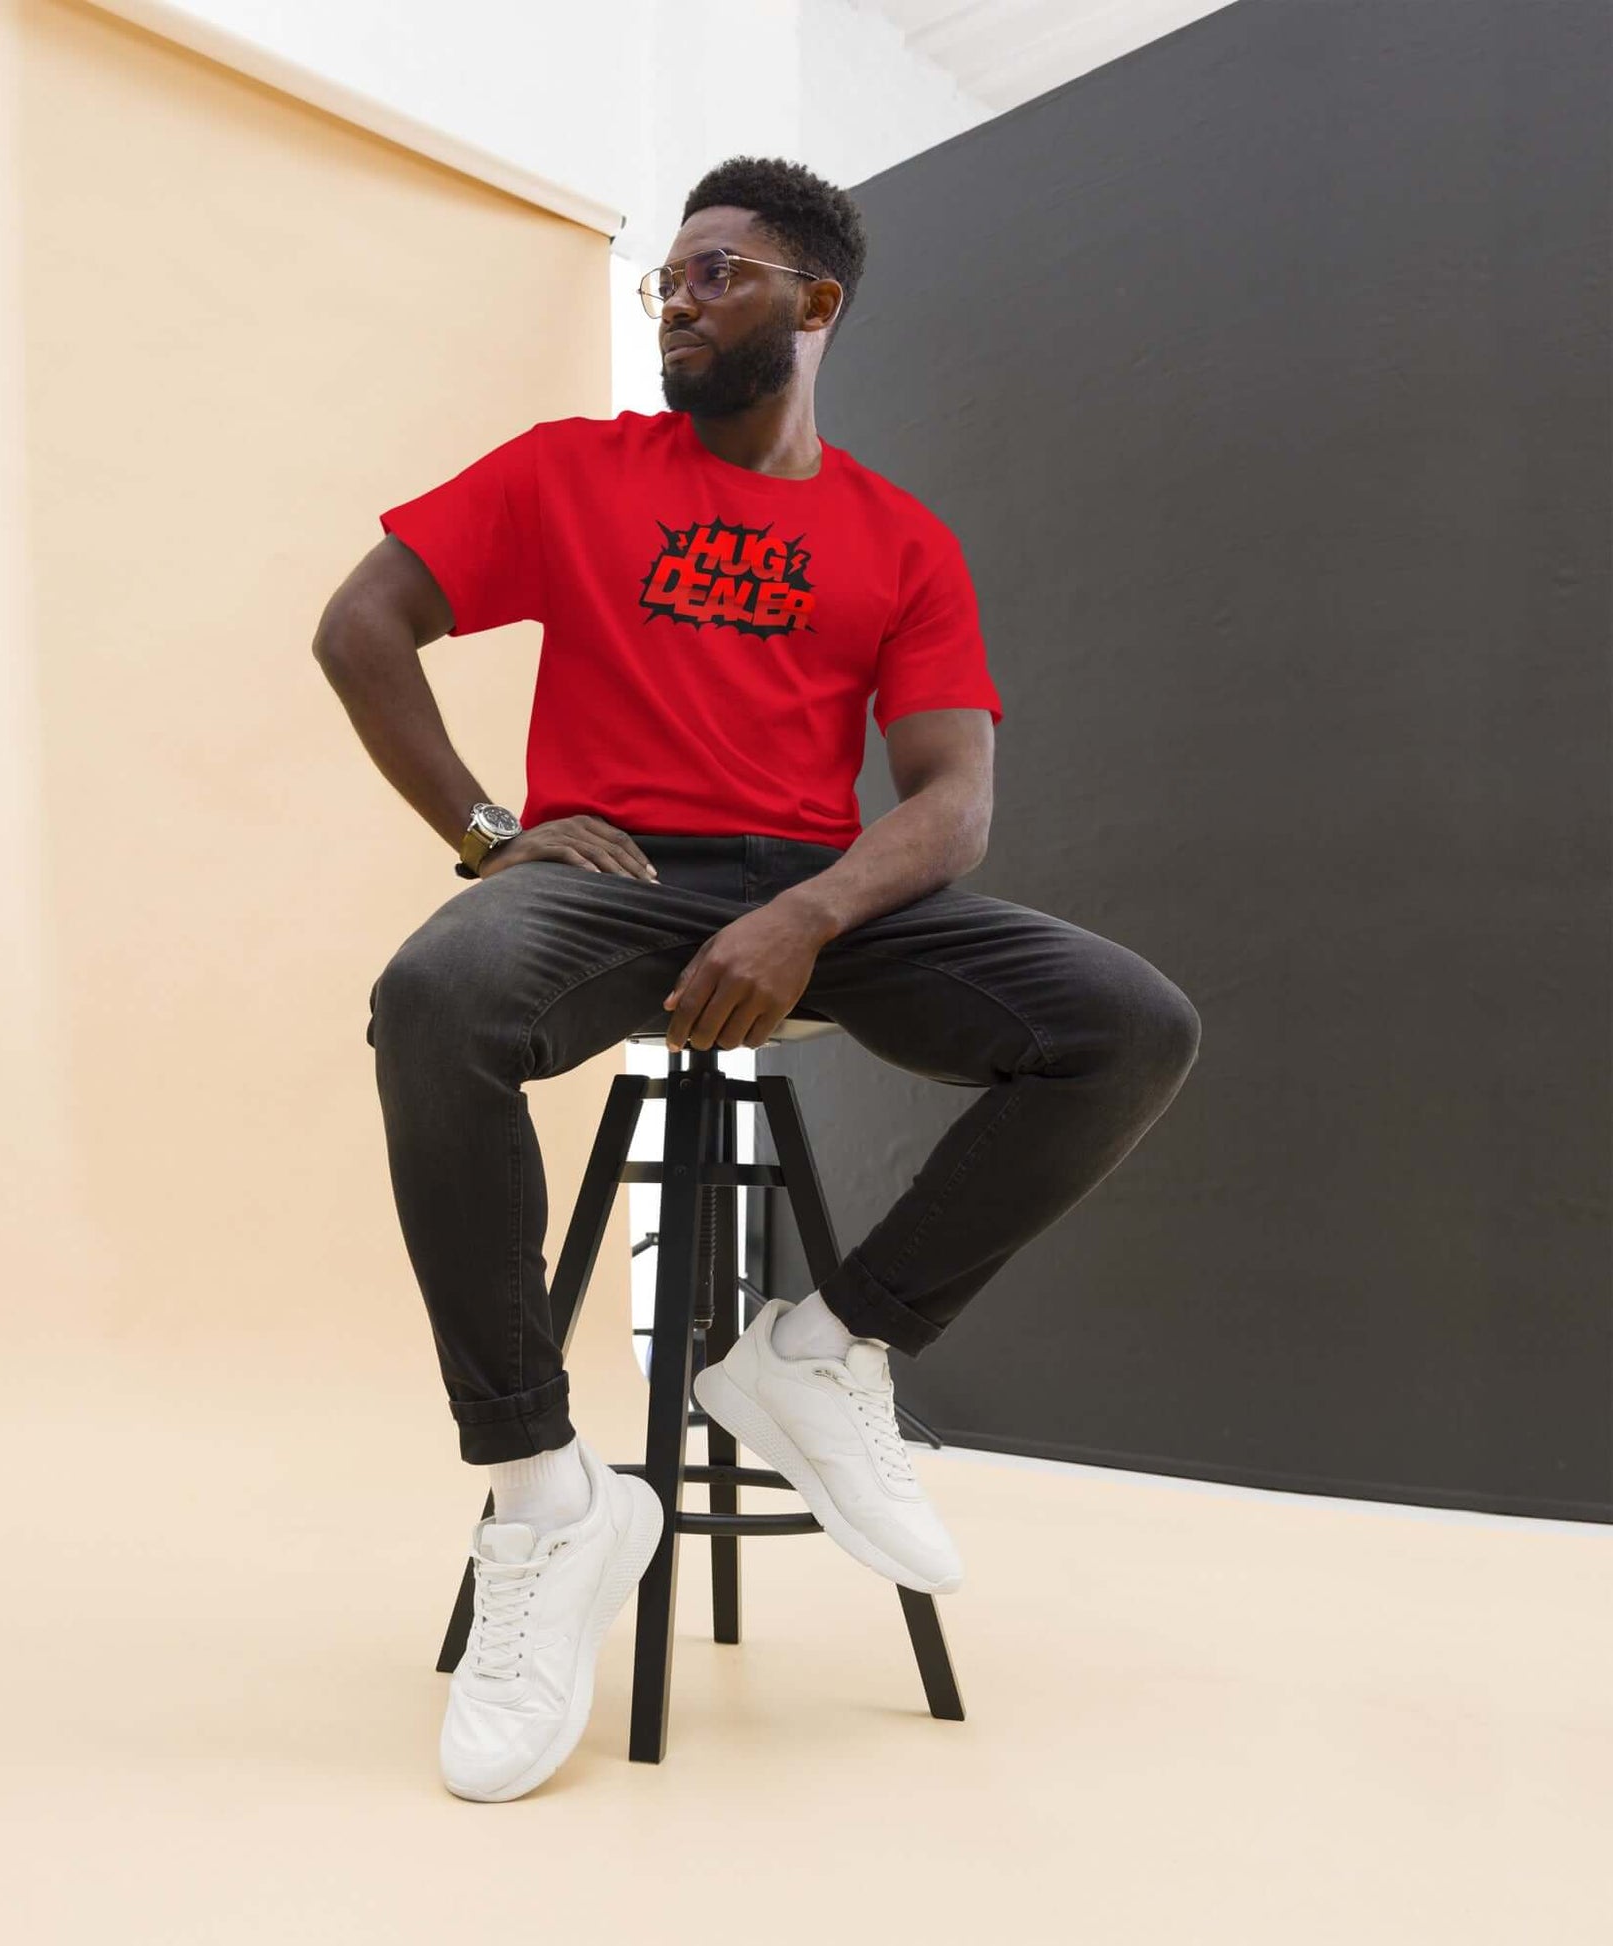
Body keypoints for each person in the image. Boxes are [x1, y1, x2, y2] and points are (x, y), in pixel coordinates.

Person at [314, 156, 1201, 1802]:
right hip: (616, 880)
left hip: (817, 888)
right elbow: (361, 621)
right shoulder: (575, 473)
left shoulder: (897, 540)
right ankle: (544, 1498)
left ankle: (820, 1349)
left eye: (714, 274)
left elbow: (950, 801)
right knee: (433, 1001)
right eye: (664, 277)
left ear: (813, 302)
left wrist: (807, 916)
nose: (676, 298)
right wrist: (492, 831)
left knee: (1127, 1024)